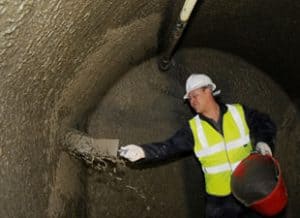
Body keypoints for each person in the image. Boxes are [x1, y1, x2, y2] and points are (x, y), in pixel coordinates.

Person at [119, 74, 276, 218]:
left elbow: (265, 123)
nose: (192, 102)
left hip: (249, 191)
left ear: (208, 91)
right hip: (219, 202)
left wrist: (264, 142)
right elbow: (169, 146)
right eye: (190, 99)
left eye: (195, 96)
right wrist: (143, 151)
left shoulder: (239, 112)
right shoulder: (193, 129)